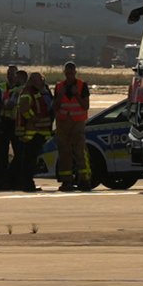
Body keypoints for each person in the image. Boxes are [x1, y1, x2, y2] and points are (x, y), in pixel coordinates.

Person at [52, 61, 91, 192]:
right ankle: (66, 181)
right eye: (67, 73)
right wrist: (61, 95)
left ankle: (84, 179)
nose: (69, 75)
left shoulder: (82, 85)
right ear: (64, 73)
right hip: (63, 123)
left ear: (75, 72)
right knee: (64, 153)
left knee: (80, 151)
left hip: (77, 123)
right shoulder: (59, 87)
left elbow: (85, 106)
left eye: (71, 73)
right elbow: (55, 106)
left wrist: (76, 95)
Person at [14, 72, 50, 192]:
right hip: (31, 134)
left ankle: (27, 182)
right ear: (34, 81)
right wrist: (33, 119)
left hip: (36, 133)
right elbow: (24, 109)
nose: (42, 82)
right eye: (40, 80)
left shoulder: (35, 92)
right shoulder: (28, 93)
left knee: (30, 159)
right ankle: (27, 183)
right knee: (28, 160)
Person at [0, 65, 19, 190]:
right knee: (1, 153)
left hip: (16, 122)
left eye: (13, 73)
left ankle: (13, 177)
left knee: (19, 152)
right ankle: (0, 179)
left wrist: (5, 105)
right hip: (3, 122)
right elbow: (0, 104)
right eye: (8, 73)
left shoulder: (21, 89)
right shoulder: (1, 87)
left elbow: (9, 104)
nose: (10, 76)